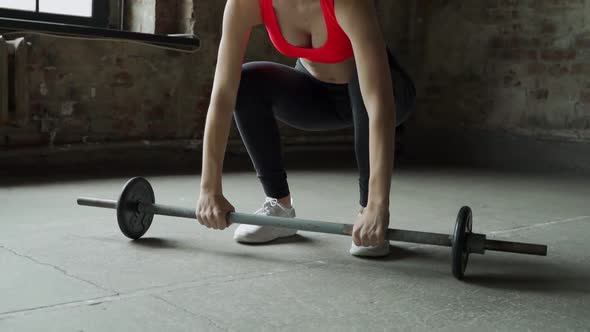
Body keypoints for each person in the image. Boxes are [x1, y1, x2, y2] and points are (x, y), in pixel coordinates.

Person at [195, 0, 416, 257]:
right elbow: (223, 95)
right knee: (245, 82)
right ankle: (279, 206)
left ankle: (367, 211)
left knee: (360, 83)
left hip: (387, 97)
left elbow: (378, 103)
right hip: (318, 98)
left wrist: (378, 207)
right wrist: (209, 189)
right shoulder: (245, 3)